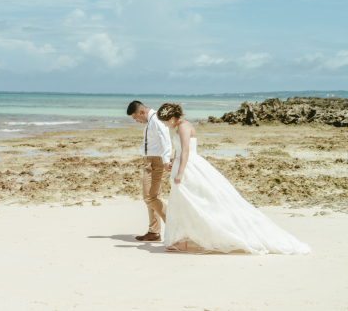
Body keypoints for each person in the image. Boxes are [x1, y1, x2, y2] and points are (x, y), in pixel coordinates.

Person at [158, 103, 310, 255]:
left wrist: (180, 172)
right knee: (183, 203)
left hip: (190, 168)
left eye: (164, 121)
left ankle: (213, 241)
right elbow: (179, 150)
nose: (164, 125)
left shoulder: (184, 126)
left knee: (201, 202)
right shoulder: (179, 127)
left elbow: (186, 151)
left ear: (171, 118)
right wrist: (173, 162)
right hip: (183, 166)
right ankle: (181, 241)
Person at [127, 100, 172, 242]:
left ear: (142, 112)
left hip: (157, 163)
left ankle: (176, 226)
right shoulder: (151, 120)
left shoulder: (156, 119)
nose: (136, 121)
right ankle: (154, 232)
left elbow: (165, 139)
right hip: (150, 161)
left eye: (135, 118)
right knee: (151, 198)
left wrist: (165, 161)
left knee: (150, 197)